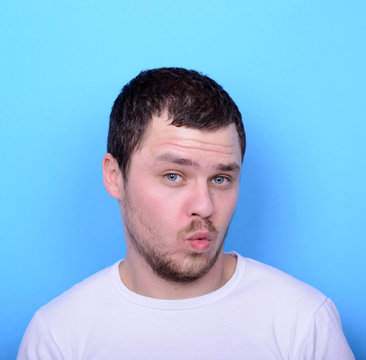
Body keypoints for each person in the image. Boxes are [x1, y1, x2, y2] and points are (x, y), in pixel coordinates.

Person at [18, 68, 354, 359]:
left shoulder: (304, 322)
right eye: (174, 176)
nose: (205, 206)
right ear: (114, 176)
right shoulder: (58, 337)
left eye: (221, 179)